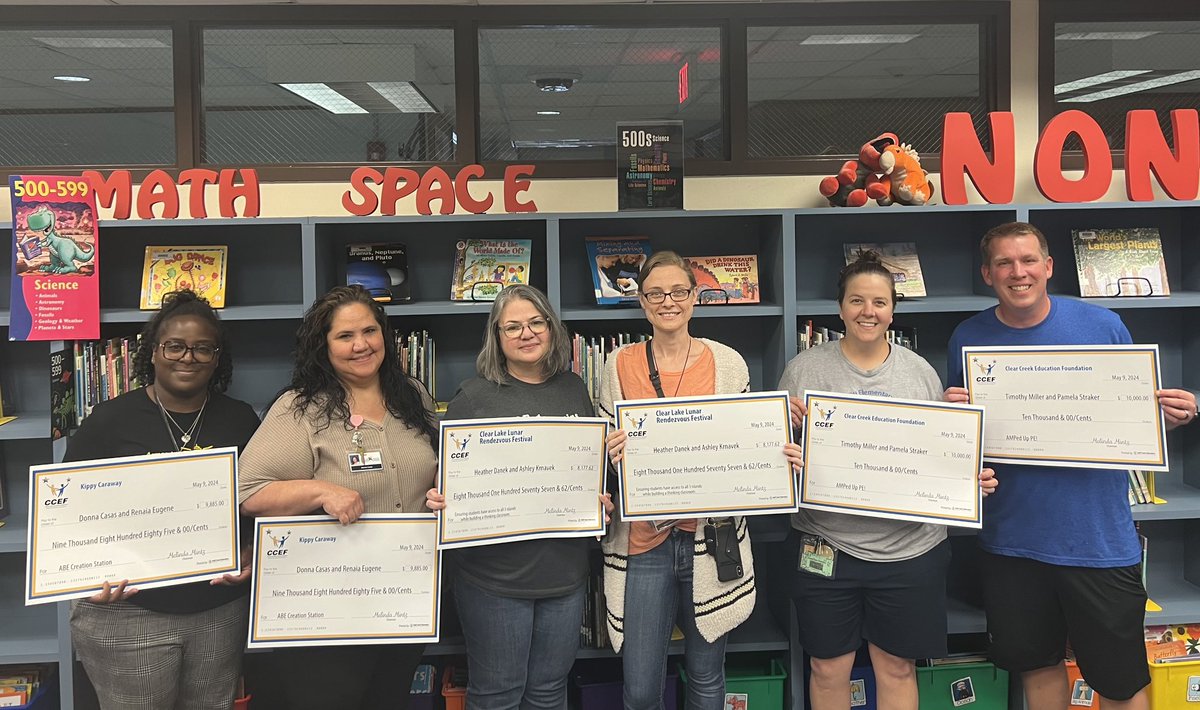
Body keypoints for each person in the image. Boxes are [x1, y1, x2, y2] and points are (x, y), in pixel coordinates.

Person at [944, 222, 1197, 710]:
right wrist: (952, 421)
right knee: (1038, 671)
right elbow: (969, 435)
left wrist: (1166, 419)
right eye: (1003, 263)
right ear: (987, 274)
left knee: (1121, 682)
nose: (1018, 272)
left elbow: (1130, 417)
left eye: (1028, 260)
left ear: (1048, 266)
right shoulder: (968, 336)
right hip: (1012, 542)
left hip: (1097, 541)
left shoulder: (1103, 325)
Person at [777, 252, 997, 710]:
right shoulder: (803, 370)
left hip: (910, 551)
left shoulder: (919, 373)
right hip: (826, 546)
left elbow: (937, 456)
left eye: (879, 302)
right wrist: (789, 449)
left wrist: (965, 481)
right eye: (856, 300)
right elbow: (777, 459)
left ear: (892, 311)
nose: (868, 311)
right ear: (840, 308)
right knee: (827, 668)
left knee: (896, 668)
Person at [238, 285, 439, 710]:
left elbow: (430, 468)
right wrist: (321, 490)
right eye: (345, 336)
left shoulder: (412, 396)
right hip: (328, 604)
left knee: (389, 700)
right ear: (323, 346)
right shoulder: (300, 409)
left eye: (369, 331)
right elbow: (247, 491)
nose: (361, 345)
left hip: (404, 597)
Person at [65, 290, 261, 710]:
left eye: (203, 348)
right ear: (153, 352)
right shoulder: (109, 421)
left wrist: (250, 550)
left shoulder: (241, 419)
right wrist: (87, 574)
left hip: (217, 612)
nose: (187, 357)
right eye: (174, 346)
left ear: (217, 359)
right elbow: (67, 511)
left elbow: (255, 499)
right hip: (129, 611)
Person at [424, 284, 609, 710]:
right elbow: (446, 476)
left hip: (564, 575)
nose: (526, 333)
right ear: (497, 336)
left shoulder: (574, 388)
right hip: (494, 580)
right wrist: (440, 496)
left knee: (549, 692)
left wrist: (600, 499)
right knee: (498, 694)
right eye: (513, 327)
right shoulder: (474, 397)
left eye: (536, 322)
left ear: (551, 328)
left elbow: (586, 468)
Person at [598, 250, 756, 710]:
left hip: (710, 540)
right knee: (641, 688)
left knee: (706, 677)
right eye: (655, 294)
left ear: (694, 296)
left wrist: (774, 455)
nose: (668, 302)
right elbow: (602, 460)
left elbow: (745, 447)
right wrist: (610, 454)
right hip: (644, 544)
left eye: (678, 291)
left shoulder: (728, 363)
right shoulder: (617, 365)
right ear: (642, 301)